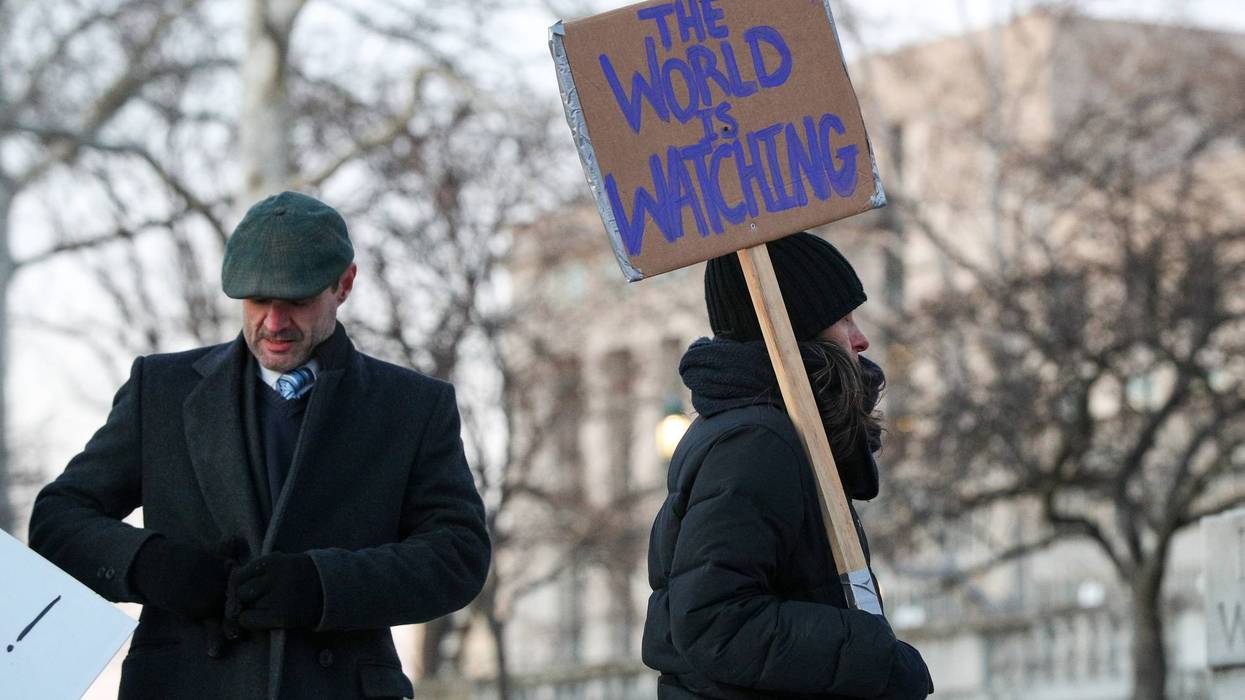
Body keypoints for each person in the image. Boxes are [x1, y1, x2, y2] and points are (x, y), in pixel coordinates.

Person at [29, 191, 491, 700]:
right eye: (257, 301)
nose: (273, 324)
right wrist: (150, 565)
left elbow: (459, 553)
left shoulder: (412, 406)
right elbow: (57, 520)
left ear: (345, 284)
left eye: (296, 300)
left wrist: (323, 586)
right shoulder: (159, 390)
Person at [642, 232, 933, 699]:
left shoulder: (773, 432)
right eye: (842, 320)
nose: (861, 339)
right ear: (794, 333)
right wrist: (873, 656)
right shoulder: (758, 441)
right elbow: (715, 621)